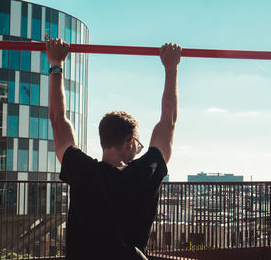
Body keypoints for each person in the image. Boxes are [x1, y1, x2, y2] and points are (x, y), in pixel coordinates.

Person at [46, 38, 181, 260]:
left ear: (102, 141)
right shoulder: (146, 173)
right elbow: (168, 122)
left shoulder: (83, 171)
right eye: (138, 144)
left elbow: (57, 120)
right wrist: (171, 67)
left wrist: (56, 62)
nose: (138, 149)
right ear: (129, 141)